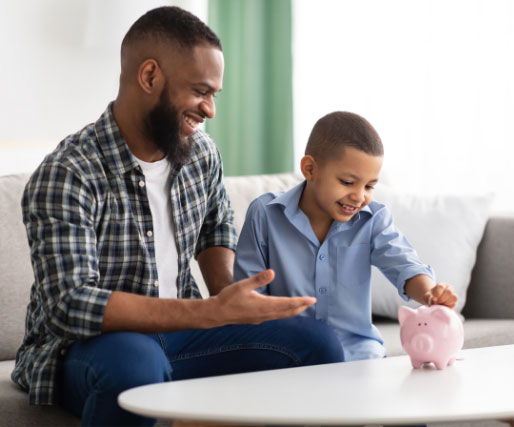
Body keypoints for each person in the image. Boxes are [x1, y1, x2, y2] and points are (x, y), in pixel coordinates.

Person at [12, 6, 344, 426]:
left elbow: (215, 226)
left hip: (182, 335)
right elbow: (70, 304)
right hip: (87, 349)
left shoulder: (200, 154)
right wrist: (209, 313)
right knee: (135, 371)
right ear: (149, 77)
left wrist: (231, 299)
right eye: (200, 91)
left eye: (214, 95)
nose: (210, 110)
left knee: (317, 343)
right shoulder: (68, 173)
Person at [234, 111, 459, 361]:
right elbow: (248, 297)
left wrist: (430, 294)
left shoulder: (373, 220)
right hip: (289, 351)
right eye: (348, 182)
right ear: (310, 169)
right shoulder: (265, 214)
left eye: (369, 186)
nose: (360, 196)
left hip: (359, 354)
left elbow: (404, 265)